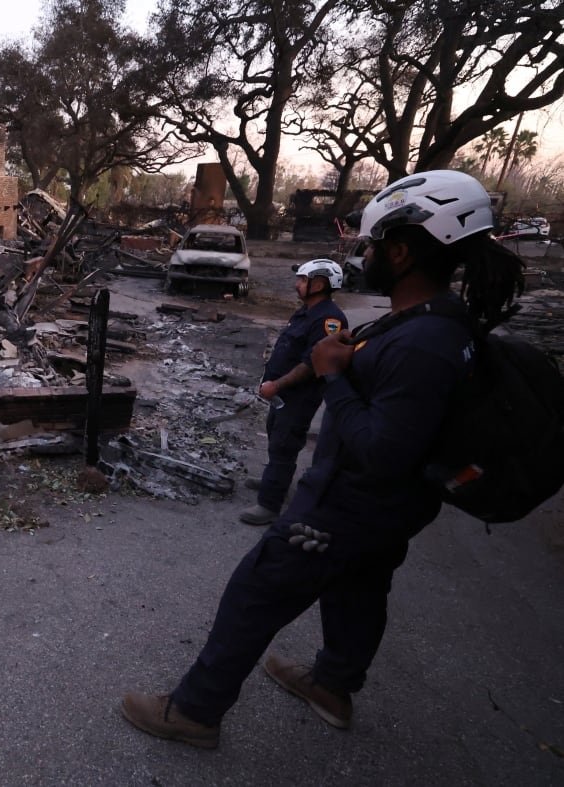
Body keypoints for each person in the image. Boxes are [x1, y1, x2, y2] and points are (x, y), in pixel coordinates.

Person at [120, 170, 524, 749]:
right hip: (391, 512)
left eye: (373, 245)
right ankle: (332, 686)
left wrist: (333, 376)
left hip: (345, 506)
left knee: (254, 593)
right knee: (359, 590)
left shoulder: (420, 343)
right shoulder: (438, 324)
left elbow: (382, 450)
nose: (366, 255)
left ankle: (194, 710)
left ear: (402, 251)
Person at [240, 259, 347, 526]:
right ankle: (273, 481)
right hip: (283, 393)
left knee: (285, 443)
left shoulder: (328, 319)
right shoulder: (305, 312)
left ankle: (269, 504)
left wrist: (277, 385)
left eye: (301, 280)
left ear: (319, 284)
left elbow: (311, 363)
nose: (296, 284)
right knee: (275, 433)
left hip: (299, 395)